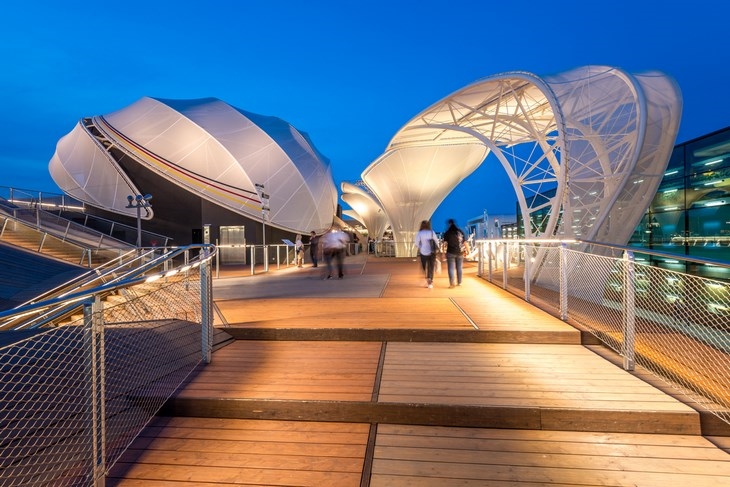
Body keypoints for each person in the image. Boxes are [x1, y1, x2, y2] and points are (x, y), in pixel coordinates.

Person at [415, 220, 439, 288]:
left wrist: (421, 247)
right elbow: (436, 242)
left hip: (423, 252)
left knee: (424, 266)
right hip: (432, 253)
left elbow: (416, 243)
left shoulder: (420, 233)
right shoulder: (432, 232)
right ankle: (430, 281)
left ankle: (426, 278)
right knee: (431, 267)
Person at [443, 218, 466, 288]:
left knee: (451, 268)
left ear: (449, 224)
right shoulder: (460, 232)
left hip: (450, 252)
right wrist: (468, 251)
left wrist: (443, 253)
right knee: (459, 268)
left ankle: (452, 283)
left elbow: (445, 244)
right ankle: (459, 282)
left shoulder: (447, 233)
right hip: (460, 252)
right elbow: (464, 242)